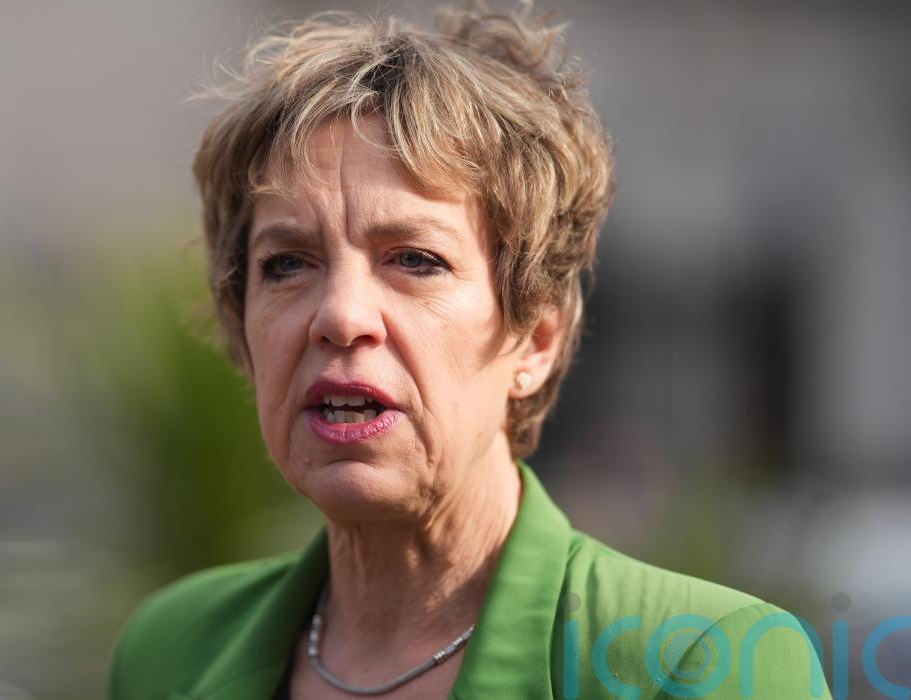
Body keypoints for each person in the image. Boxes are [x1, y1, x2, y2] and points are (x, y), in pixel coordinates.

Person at [109, 3, 829, 698]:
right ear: (241, 322)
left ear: (536, 340)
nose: (340, 316)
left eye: (414, 259)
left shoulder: (700, 661)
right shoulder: (170, 649)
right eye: (288, 263)